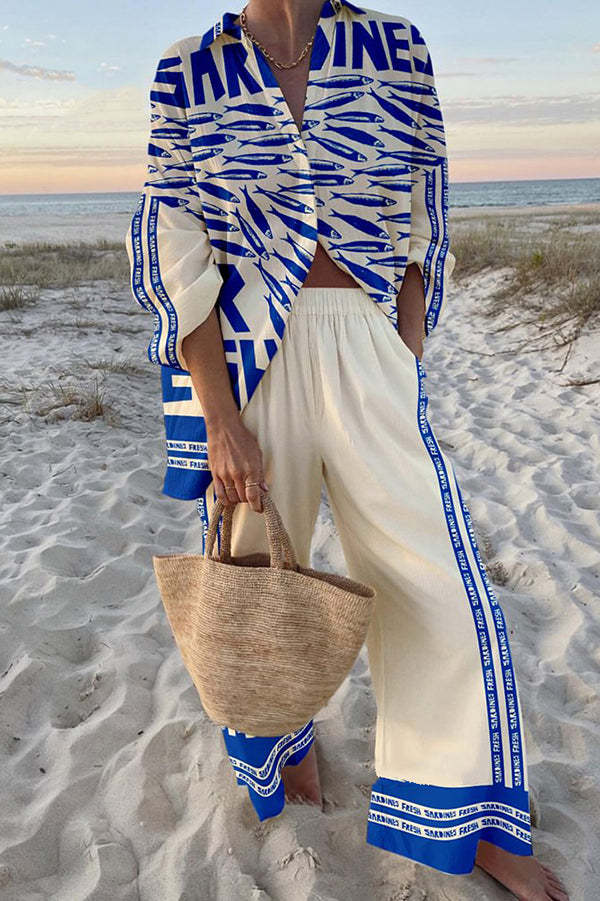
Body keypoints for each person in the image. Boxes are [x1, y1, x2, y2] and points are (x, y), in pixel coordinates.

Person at [125, 1, 569, 896]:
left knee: (439, 579)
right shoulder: (189, 68)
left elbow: (426, 201)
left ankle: (466, 813)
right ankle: (283, 742)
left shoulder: (395, 47)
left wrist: (405, 343)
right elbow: (175, 244)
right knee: (257, 576)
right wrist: (221, 418)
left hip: (368, 342)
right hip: (249, 357)